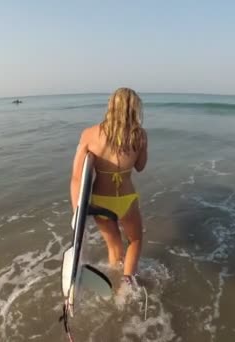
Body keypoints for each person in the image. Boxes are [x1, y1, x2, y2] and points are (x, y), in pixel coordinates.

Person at [69, 87, 148, 287]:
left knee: (114, 247)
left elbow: (77, 177)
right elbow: (140, 167)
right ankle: (127, 283)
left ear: (111, 106)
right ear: (133, 108)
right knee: (135, 241)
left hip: (100, 199)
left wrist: (77, 212)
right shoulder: (139, 135)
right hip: (126, 199)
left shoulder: (89, 134)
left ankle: (113, 280)